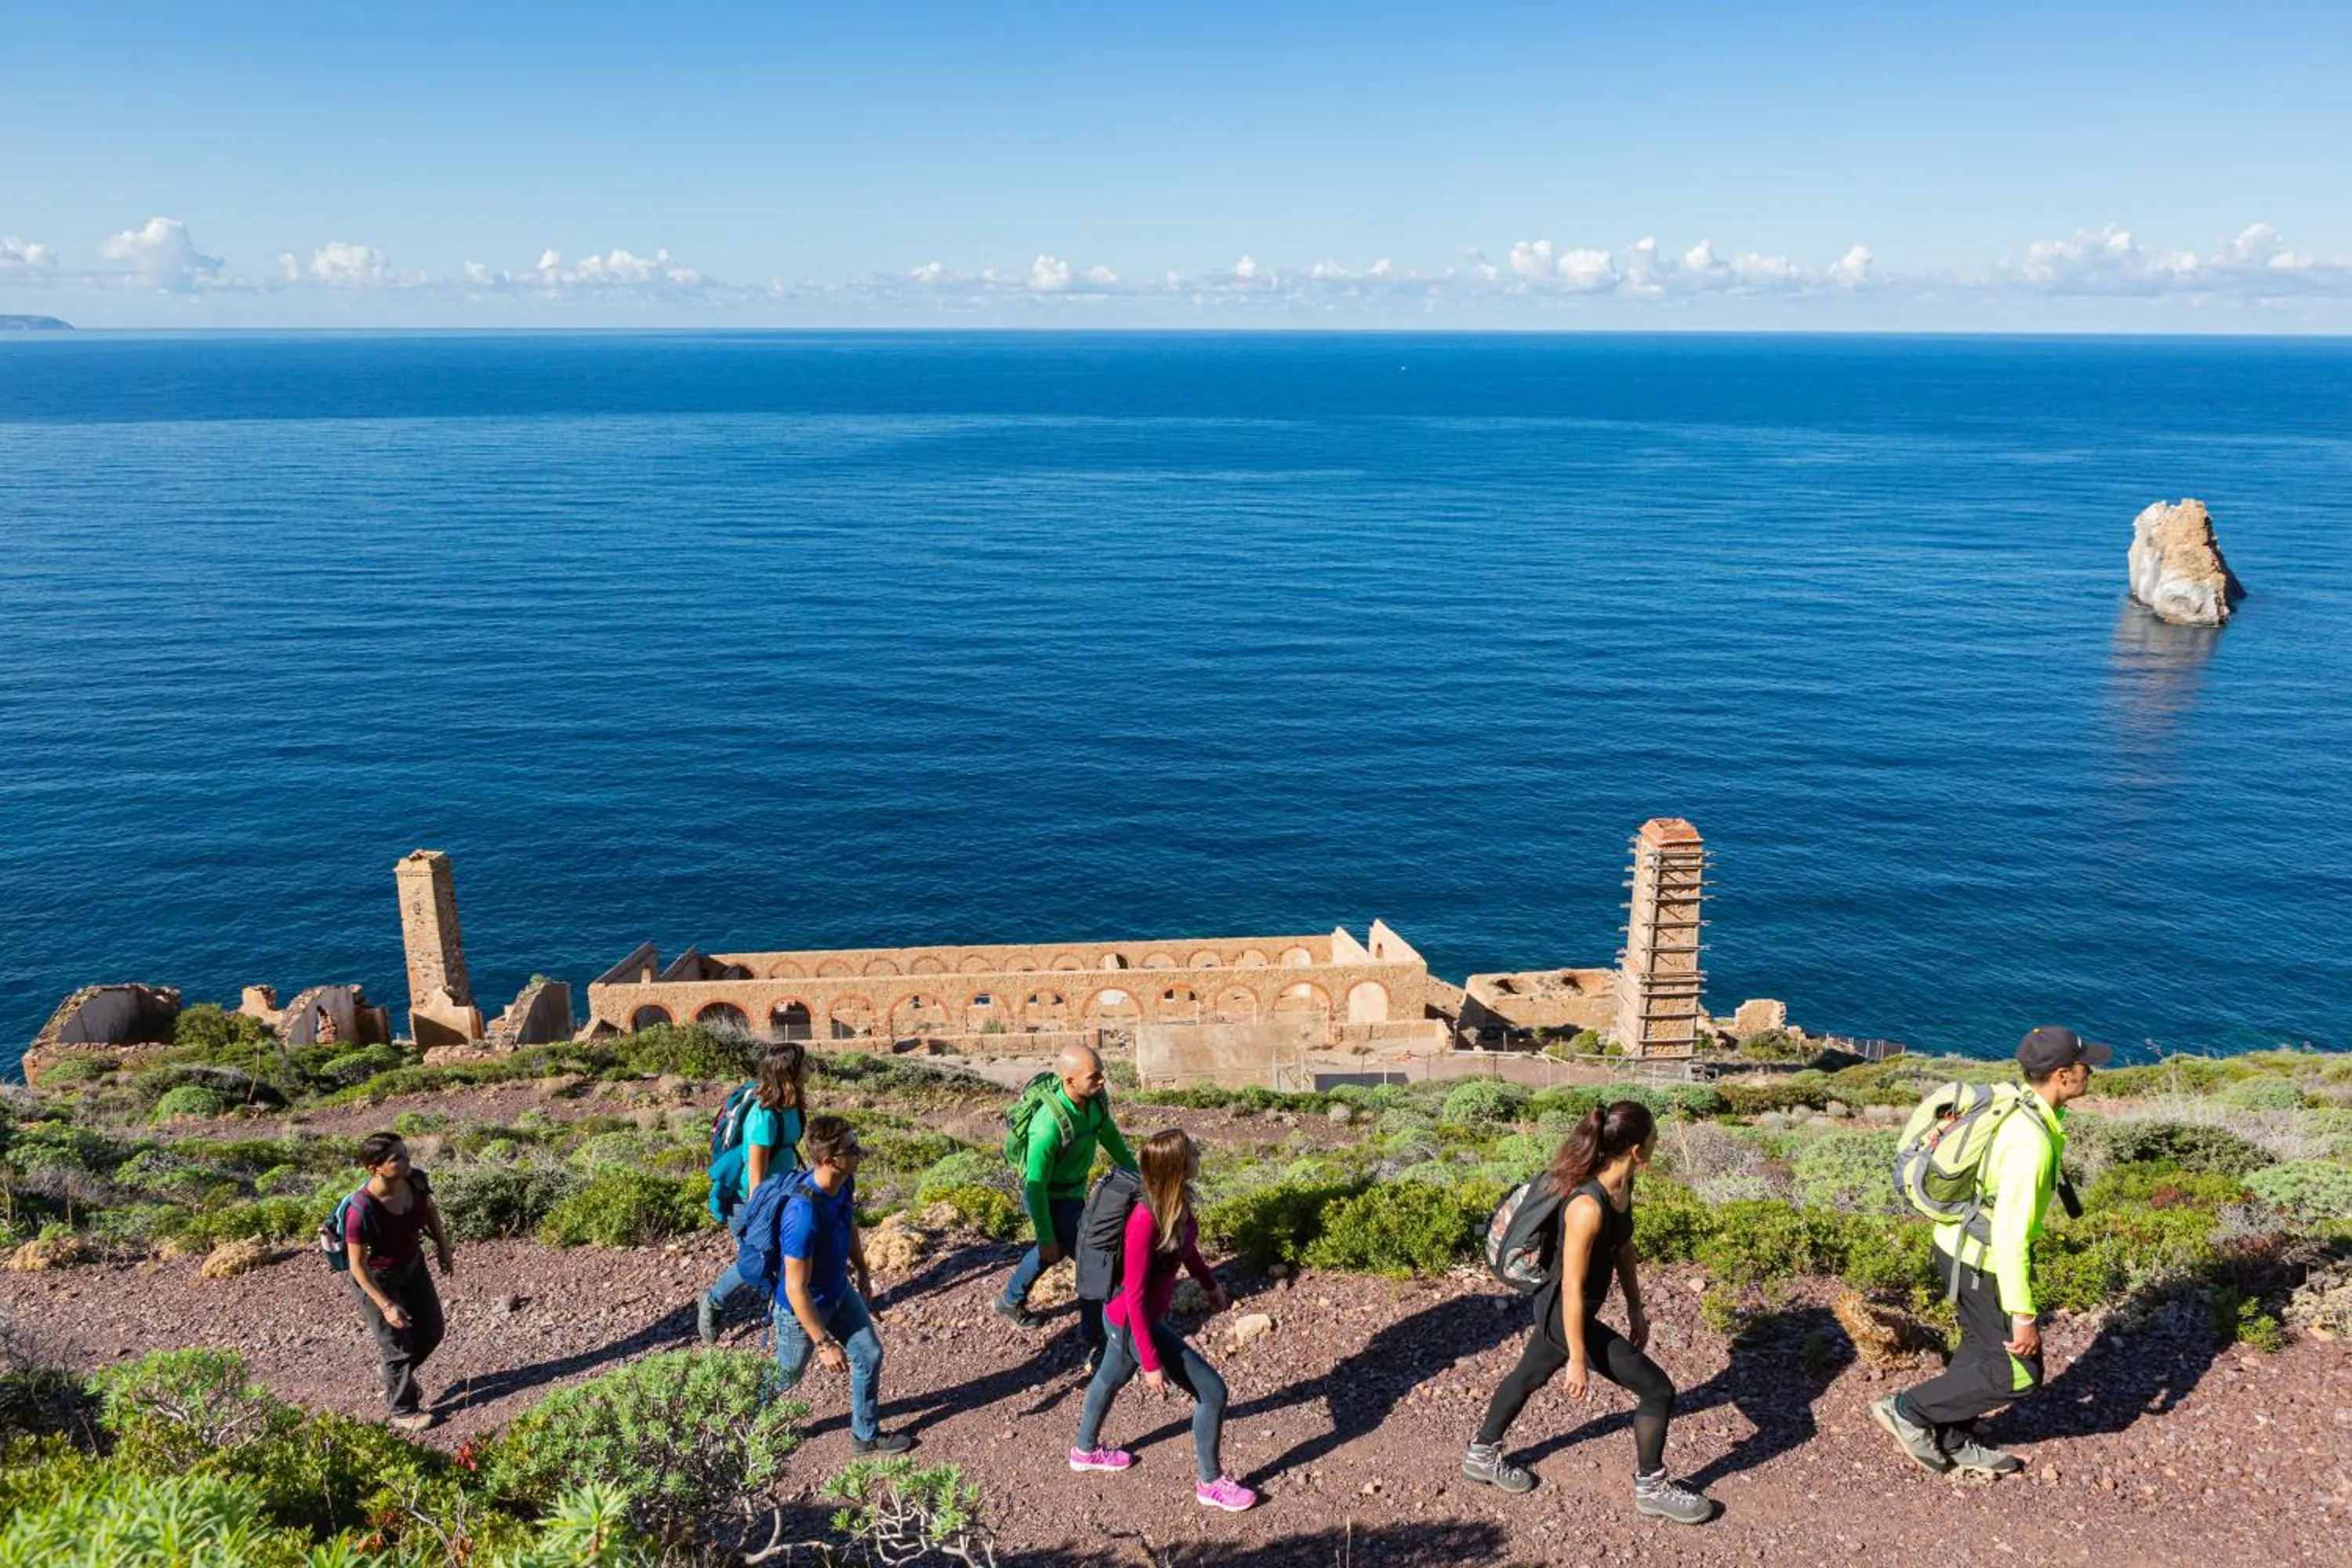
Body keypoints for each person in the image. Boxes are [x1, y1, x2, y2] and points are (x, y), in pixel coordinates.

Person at [1461, 1101, 1713, 1525]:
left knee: (1527, 1376)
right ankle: (1651, 1487)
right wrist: (1577, 1359)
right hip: (1564, 1312)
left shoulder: (1623, 1185)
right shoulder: (1586, 1207)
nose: (1659, 1142)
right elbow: (1572, 1287)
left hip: (1571, 1311)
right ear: (1636, 1149)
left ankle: (1481, 1454)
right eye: (1655, 1137)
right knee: (1657, 1390)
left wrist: (1635, 1308)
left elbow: (1623, 1247)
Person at [1874, 1025, 2106, 1476]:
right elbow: (2010, 1237)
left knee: (1981, 1349)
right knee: (2019, 1374)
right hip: (1984, 1263)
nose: (2090, 1072)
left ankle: (1954, 1438)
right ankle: (1908, 1410)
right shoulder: (2030, 1142)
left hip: (1955, 1248)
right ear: (2061, 1075)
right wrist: (2024, 1315)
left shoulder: (2019, 1105)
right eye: (2085, 1065)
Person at [1068, 1128, 1254, 1512]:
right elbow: (1134, 1295)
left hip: (1129, 1320)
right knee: (1213, 1392)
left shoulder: (1176, 1201)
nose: (1198, 1157)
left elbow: (1186, 1247)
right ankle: (1211, 1484)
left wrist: (1208, 1283)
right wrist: (1151, 1363)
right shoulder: (1143, 1218)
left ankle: (1084, 1451)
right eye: (1193, 1153)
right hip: (1130, 1320)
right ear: (1177, 1166)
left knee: (1110, 1377)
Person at [771, 1114, 913, 1455]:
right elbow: (795, 1288)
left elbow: (849, 1228)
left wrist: (862, 1271)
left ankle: (865, 1436)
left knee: (869, 1354)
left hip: (839, 1291)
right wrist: (823, 1344)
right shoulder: (802, 1214)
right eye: (851, 1149)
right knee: (786, 1376)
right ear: (827, 1160)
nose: (858, 1153)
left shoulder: (844, 1183)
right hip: (801, 1311)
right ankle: (744, 1419)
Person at [995, 1042, 1136, 1366]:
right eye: (1094, 1076)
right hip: (1047, 1197)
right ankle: (1094, 1337)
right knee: (1092, 1259)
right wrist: (1045, 1235)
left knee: (1056, 1251)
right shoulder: (1048, 1126)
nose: (1102, 1081)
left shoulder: (1095, 1102)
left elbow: (1110, 1137)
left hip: (1073, 1193)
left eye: (1101, 1073)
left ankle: (1009, 1301)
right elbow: (1035, 1187)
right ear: (1070, 1081)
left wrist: (1136, 1174)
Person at [341, 1132, 453, 1432]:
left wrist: (443, 1247)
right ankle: (403, 1411)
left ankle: (392, 1374)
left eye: (405, 1152)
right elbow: (357, 1266)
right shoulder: (360, 1210)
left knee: (431, 1331)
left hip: (413, 1266)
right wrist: (387, 1305)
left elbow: (430, 1210)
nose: (406, 1160)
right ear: (374, 1169)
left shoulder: (415, 1180)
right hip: (377, 1280)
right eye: (396, 1158)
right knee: (398, 1347)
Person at [699, 1042, 810, 1343]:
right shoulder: (764, 1115)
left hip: (782, 1192)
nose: (809, 1069)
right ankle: (713, 1300)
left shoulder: (792, 1105)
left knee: (786, 1254)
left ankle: (788, 1313)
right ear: (790, 1070)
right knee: (756, 1261)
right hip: (754, 1200)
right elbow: (756, 1173)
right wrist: (758, 1214)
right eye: (804, 1064)